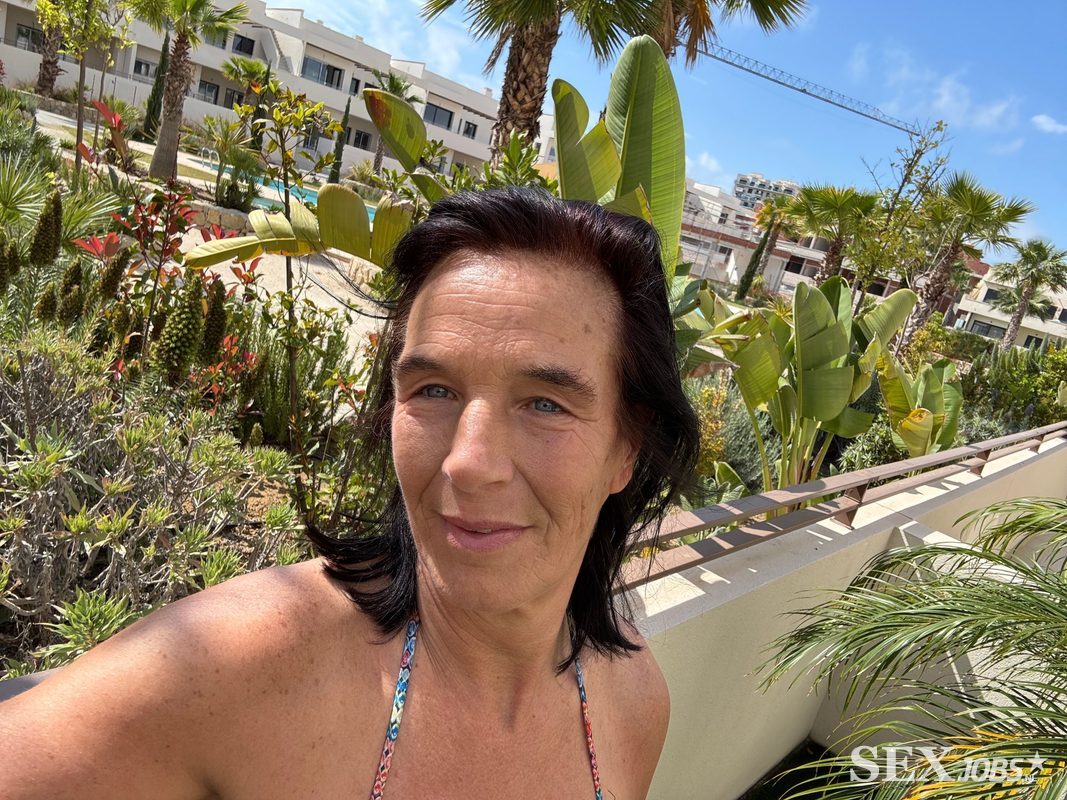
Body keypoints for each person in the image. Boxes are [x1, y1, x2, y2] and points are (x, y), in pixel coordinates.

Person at [0, 187, 700, 799]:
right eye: (433, 390)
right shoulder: (240, 670)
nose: (467, 463)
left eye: (545, 404)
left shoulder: (633, 703)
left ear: (626, 449)